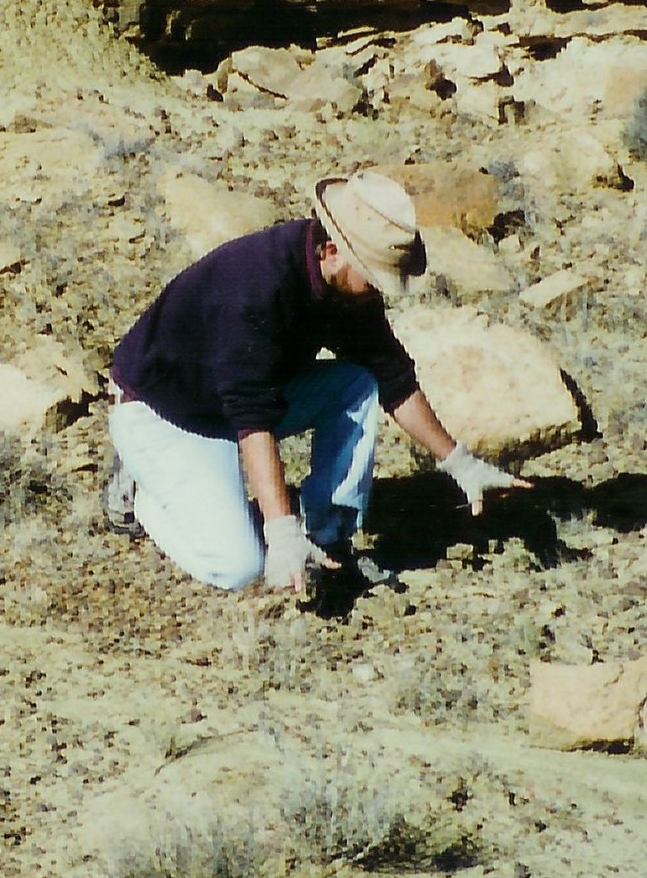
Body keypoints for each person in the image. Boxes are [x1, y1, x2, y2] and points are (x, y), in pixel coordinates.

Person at [102, 169, 523, 594]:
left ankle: (329, 538)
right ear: (333, 250)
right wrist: (281, 533)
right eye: (374, 275)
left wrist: (460, 464)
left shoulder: (347, 289)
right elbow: (253, 417)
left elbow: (392, 377)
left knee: (357, 383)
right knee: (239, 567)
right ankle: (143, 495)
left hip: (234, 404)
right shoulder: (257, 286)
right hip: (166, 413)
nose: (379, 289)